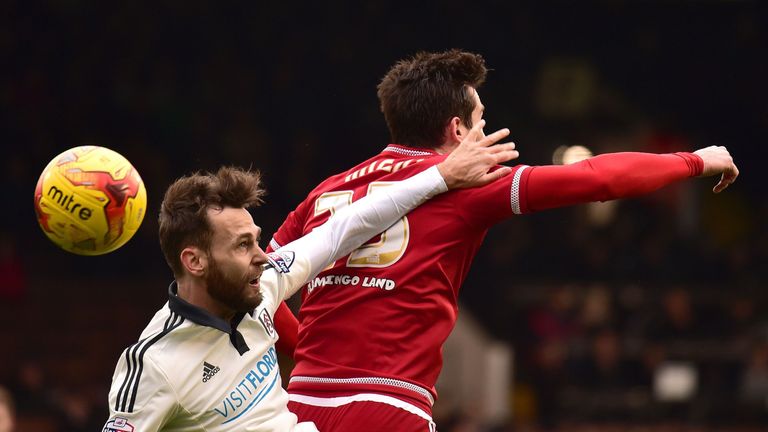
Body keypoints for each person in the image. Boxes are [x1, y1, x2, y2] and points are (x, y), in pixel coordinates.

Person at [267, 49, 739, 431]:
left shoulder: (328, 189)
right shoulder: (467, 186)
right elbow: (596, 178)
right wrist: (693, 161)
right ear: (457, 129)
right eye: (480, 119)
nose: (485, 130)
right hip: (388, 405)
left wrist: (304, 349)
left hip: (301, 403)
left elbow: (259, 291)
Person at [102, 122, 518, 431]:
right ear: (194, 261)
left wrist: (442, 176)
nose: (263, 257)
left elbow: (345, 227)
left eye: (257, 241)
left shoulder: (261, 288)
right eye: (242, 246)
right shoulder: (155, 365)